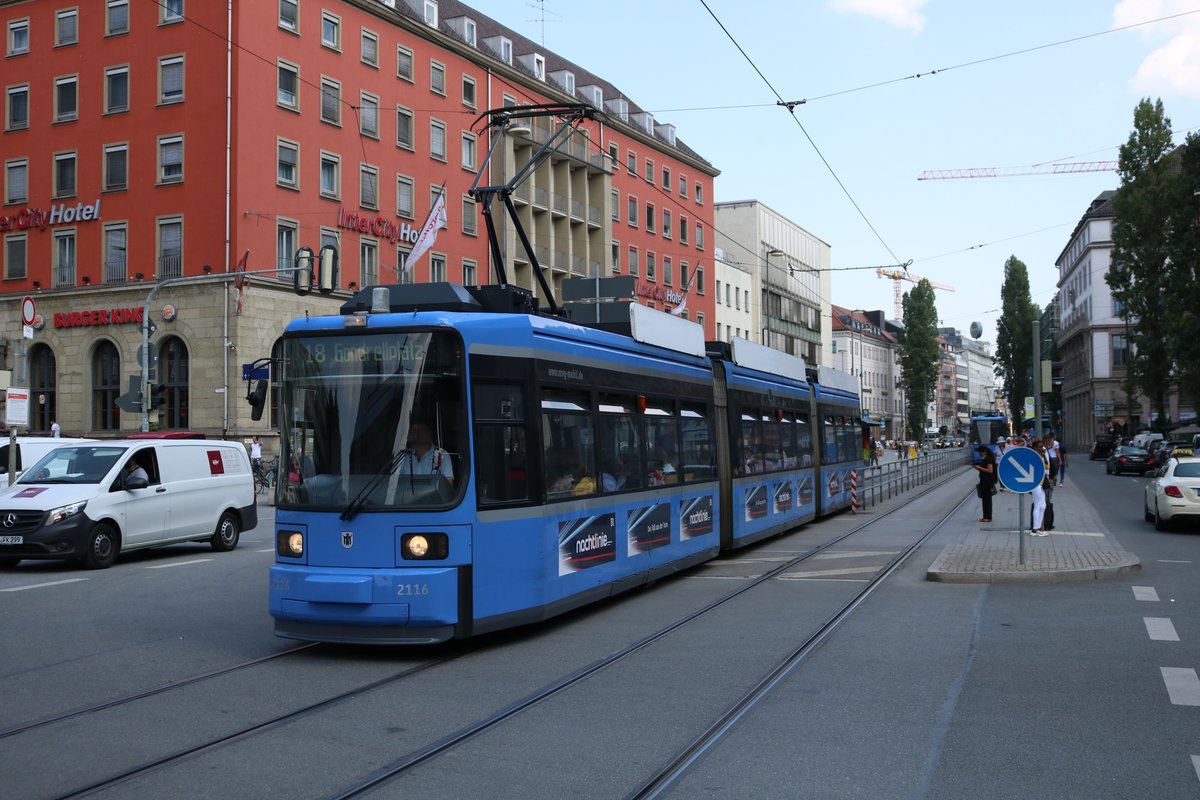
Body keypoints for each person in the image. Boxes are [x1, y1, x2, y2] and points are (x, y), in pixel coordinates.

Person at [403, 420, 454, 485]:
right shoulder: (404, 456)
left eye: (420, 431)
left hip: (431, 495)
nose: (417, 435)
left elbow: (448, 486)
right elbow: (396, 483)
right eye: (414, 432)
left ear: (429, 433)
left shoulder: (440, 454)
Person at [1029, 439, 1050, 535]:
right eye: (1040, 447)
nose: (1042, 448)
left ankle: (1038, 527)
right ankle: (1035, 528)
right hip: (1036, 483)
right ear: (1035, 448)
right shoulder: (1034, 456)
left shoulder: (1041, 455)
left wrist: (1044, 455)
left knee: (1043, 506)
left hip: (1041, 483)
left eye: (1042, 446)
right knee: (1037, 505)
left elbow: (1047, 467)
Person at [973, 444, 996, 522]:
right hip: (984, 481)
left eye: (980, 452)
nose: (979, 454)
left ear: (984, 452)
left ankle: (988, 517)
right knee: (985, 499)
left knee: (987, 499)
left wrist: (979, 468)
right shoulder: (985, 458)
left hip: (987, 481)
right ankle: (986, 516)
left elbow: (990, 470)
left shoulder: (988, 459)